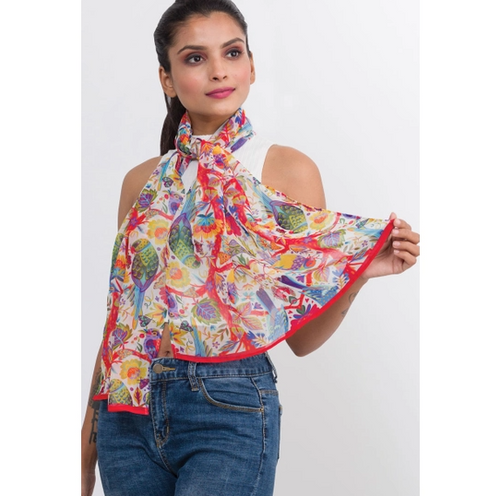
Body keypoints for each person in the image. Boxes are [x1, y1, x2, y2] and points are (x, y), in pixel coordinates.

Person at [81, 1, 420, 495]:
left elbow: (301, 339)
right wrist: (86, 440)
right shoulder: (142, 182)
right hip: (125, 413)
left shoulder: (284, 170)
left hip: (227, 407)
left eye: (232, 52)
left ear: (252, 65)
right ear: (167, 79)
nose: (219, 70)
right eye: (195, 58)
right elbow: (121, 321)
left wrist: (358, 273)